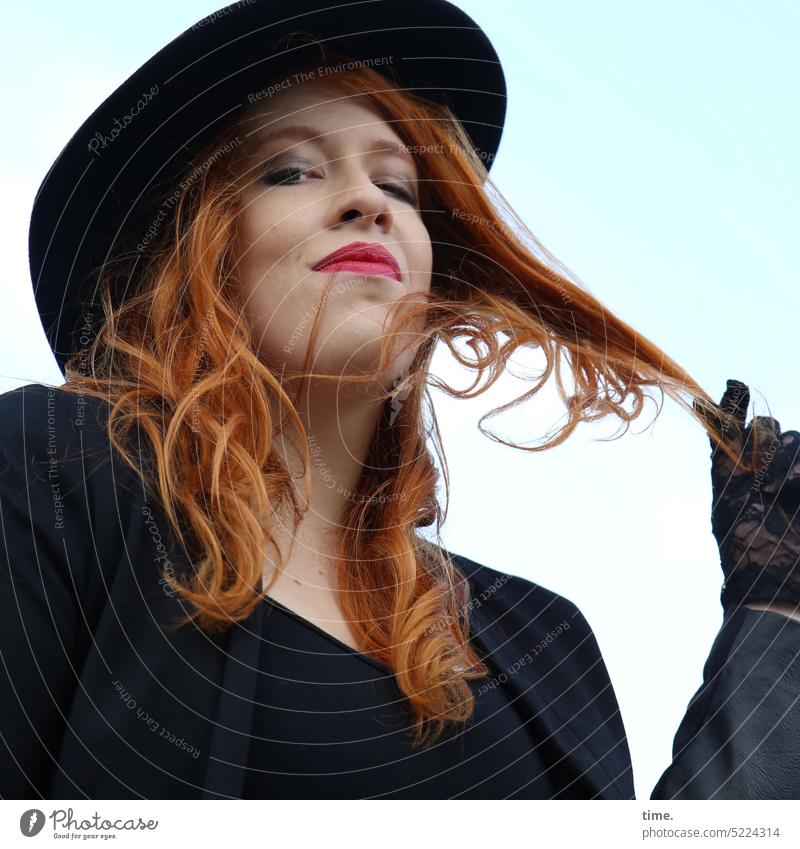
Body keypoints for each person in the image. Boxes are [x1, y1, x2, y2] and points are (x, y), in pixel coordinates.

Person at [1, 0, 799, 800]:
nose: (370, 202)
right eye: (290, 170)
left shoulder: (545, 645)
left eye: (398, 183)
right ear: (194, 255)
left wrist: (777, 618)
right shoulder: (50, 470)